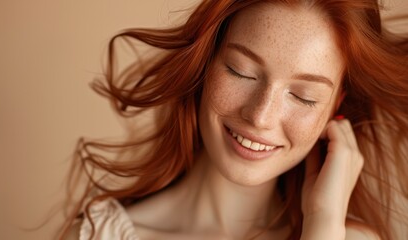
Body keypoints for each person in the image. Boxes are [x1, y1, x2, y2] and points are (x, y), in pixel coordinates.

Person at [60, 0, 408, 239]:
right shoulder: (98, 234)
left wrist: (322, 226)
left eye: (304, 96)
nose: (260, 115)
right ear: (205, 64)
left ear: (335, 108)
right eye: (240, 72)